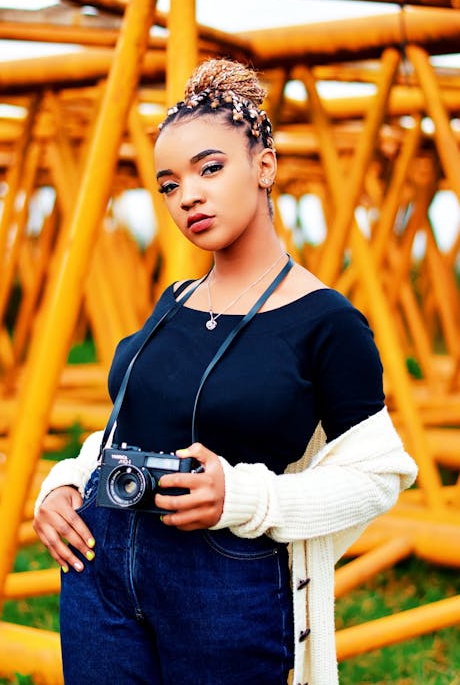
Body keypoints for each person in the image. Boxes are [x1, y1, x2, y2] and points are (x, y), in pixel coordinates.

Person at [33, 58, 417, 685]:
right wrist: (62, 485)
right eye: (168, 184)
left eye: (210, 168)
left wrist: (242, 497)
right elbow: (123, 429)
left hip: (224, 582)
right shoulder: (173, 301)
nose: (188, 195)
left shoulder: (327, 322)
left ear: (265, 165)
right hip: (100, 568)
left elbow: (380, 477)